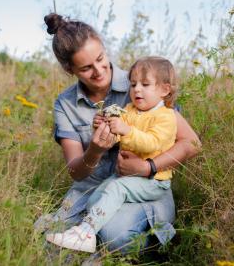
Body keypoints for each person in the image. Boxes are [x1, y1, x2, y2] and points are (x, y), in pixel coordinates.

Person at [35, 13, 201, 254]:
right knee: (47, 238)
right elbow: (75, 171)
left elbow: (191, 142)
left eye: (101, 59)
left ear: (104, 47)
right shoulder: (66, 104)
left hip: (144, 185)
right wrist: (95, 150)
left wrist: (148, 167)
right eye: (86, 68)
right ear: (69, 69)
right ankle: (90, 241)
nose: (99, 71)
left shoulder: (141, 82)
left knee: (115, 236)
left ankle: (147, 245)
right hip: (92, 189)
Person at [46, 56, 178, 252]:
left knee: (116, 189)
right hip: (126, 176)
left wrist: (126, 130)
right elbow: (118, 136)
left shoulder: (166, 116)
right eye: (133, 84)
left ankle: (86, 233)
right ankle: (91, 228)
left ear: (164, 90)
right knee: (94, 200)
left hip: (154, 181)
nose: (136, 90)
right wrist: (104, 127)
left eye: (145, 84)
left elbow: (153, 143)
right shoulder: (131, 110)